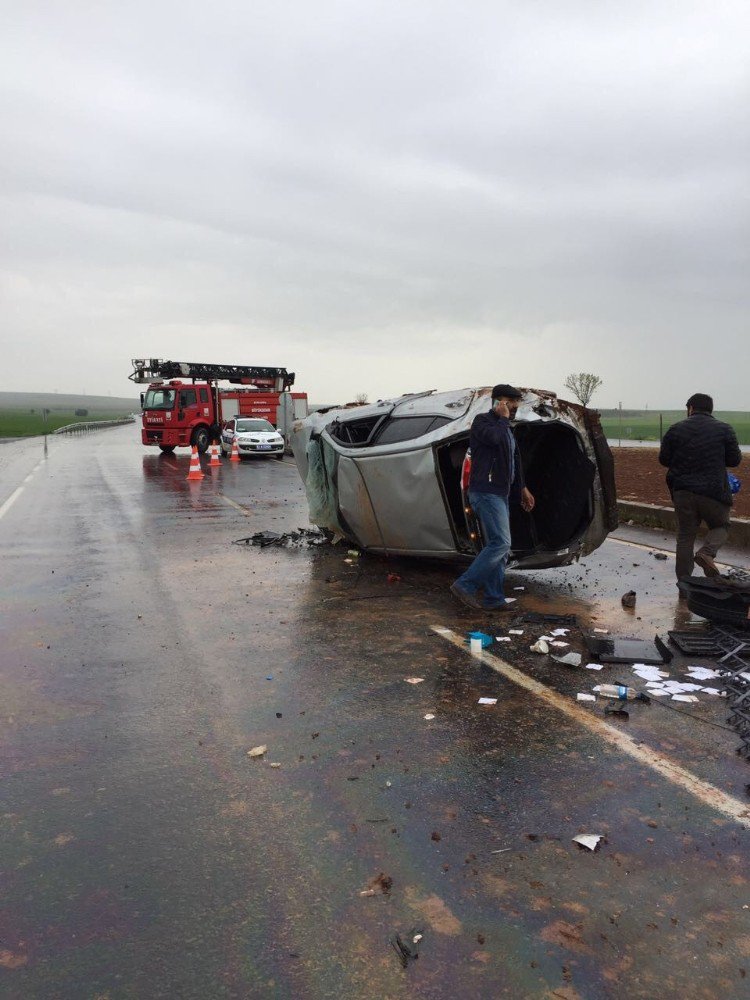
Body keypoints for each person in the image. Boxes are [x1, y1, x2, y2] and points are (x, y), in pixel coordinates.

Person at [451, 384, 535, 611]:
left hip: (501, 493)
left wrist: (522, 488)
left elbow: (513, 460)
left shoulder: (506, 428)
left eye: (517, 402)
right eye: (510, 401)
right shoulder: (483, 422)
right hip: (485, 492)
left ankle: (493, 598)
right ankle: (465, 585)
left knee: (498, 546)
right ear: (498, 402)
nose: (515, 406)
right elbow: (494, 439)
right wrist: (502, 419)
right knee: (501, 543)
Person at [658, 392, 742, 581]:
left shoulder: (675, 429)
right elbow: (734, 460)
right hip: (713, 492)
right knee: (721, 525)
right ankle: (707, 552)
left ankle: (684, 586)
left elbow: (664, 460)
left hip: (682, 492)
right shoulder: (724, 429)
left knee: (686, 536)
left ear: (690, 409)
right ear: (711, 410)